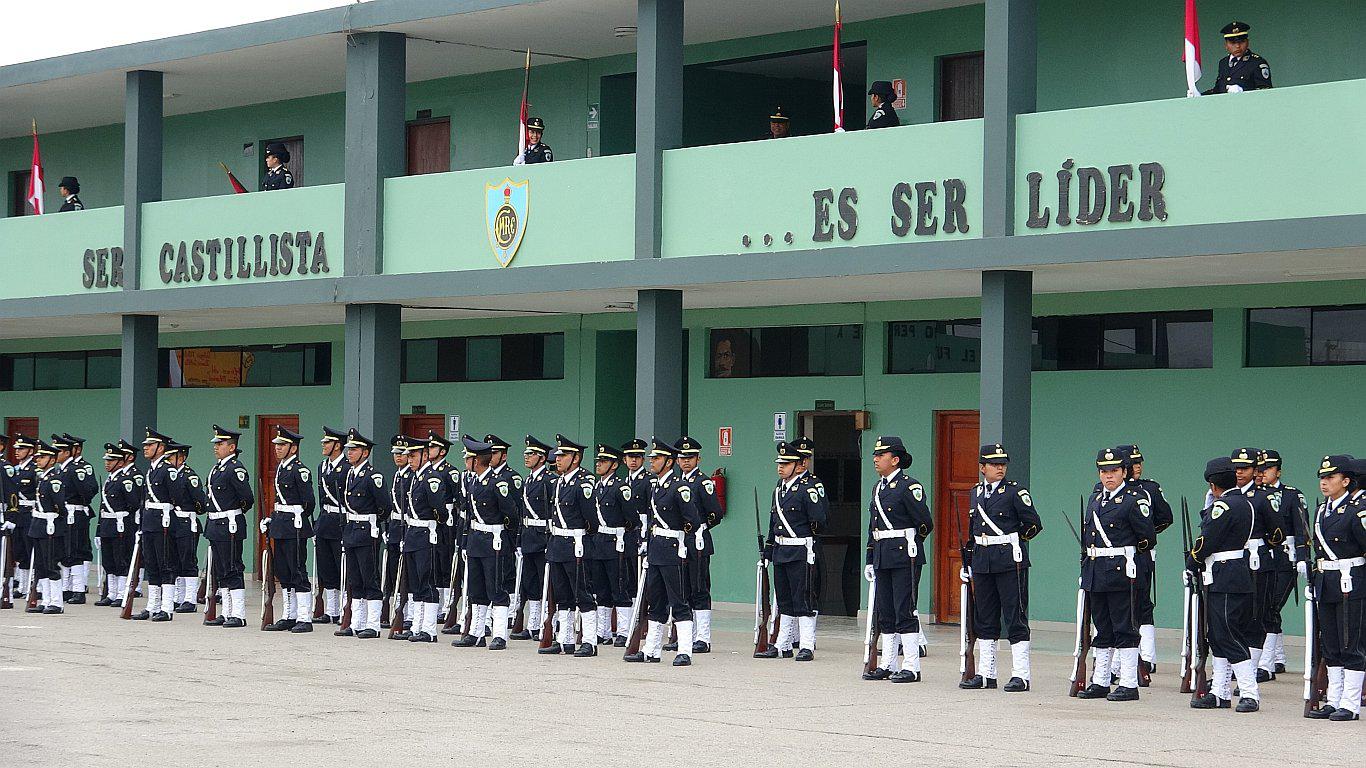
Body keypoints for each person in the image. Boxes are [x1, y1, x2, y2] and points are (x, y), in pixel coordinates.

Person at [1077, 448, 1155, 702]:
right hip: (1097, 570)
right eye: (1104, 471)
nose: (1108, 476)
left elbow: (1147, 538)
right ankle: (1100, 681)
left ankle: (1129, 683)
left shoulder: (1135, 499)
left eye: (1113, 471)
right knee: (1103, 627)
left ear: (1124, 472)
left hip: (1122, 570)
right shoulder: (1096, 498)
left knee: (1125, 627)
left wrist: (1130, 562)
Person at [962, 443, 1042, 691]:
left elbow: (1033, 525)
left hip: (1009, 560)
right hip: (983, 560)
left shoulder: (1015, 492)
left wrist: (1012, 542)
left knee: (1015, 617)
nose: (1000, 468)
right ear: (982, 467)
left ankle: (1021, 675)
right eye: (995, 464)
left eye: (1003, 464)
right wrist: (969, 559)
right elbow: (974, 529)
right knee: (984, 618)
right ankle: (987, 673)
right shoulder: (976, 493)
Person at [1188, 456, 1262, 712]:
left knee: (1229, 633)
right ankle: (1220, 692)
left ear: (1213, 484)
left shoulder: (1223, 506)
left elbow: (1207, 539)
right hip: (1230, 574)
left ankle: (1250, 692)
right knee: (1218, 635)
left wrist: (1192, 561)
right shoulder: (1244, 502)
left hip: (1225, 575)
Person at [625, 438, 701, 666]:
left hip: (673, 550)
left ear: (668, 462)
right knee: (655, 601)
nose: (652, 462)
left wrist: (680, 542)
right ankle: (652, 650)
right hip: (656, 550)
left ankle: (685, 650)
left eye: (656, 458)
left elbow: (693, 521)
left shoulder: (680, 487)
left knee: (678, 601)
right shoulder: (656, 486)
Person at [1306, 455, 1365, 721]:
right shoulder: (1321, 510)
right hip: (1326, 582)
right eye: (1322, 477)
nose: (1324, 482)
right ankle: (1334, 699)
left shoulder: (1358, 509)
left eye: (1330, 477)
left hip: (1351, 582)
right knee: (1330, 644)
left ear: (1346, 480)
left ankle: (1350, 704)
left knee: (1351, 643)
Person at [761, 440, 827, 662]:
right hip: (781, 550)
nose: (781, 467)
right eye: (780, 463)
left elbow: (818, 520)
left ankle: (807, 644)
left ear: (799, 465)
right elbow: (773, 523)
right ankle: (783, 644)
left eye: (786, 463)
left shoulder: (808, 490)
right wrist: (768, 550)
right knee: (785, 598)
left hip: (801, 550)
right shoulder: (778, 490)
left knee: (804, 598)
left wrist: (808, 542)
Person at [452, 435, 515, 649]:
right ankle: (476, 633)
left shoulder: (498, 483)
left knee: (495, 587)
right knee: (476, 589)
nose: (465, 462)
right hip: (476, 540)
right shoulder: (473, 482)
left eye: (468, 458)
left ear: (476, 461)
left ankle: (499, 634)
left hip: (494, 540)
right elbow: (469, 516)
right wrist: (464, 542)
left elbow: (511, 515)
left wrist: (506, 541)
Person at [539, 434, 598, 657]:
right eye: (558, 455)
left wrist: (581, 538)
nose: (558, 459)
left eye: (563, 456)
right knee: (562, 596)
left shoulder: (584, 483)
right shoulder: (559, 482)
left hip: (576, 543)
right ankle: (565, 640)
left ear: (576, 458)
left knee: (582, 593)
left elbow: (591, 519)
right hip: (557, 544)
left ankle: (590, 641)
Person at [1229, 447, 1284, 680]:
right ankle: (1236, 670)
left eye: (1246, 468)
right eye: (1237, 468)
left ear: (1255, 471)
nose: (1240, 472)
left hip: (1256, 561)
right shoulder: (1230, 495)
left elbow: (1277, 533)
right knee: (1233, 618)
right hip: (1232, 562)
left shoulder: (1264, 497)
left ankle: (1249, 675)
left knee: (1254, 618)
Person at [1255, 449, 1308, 680]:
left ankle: (1266, 664)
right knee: (1262, 607)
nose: (1263, 473)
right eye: (1260, 469)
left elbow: (1301, 529)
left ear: (1278, 471)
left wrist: (1303, 557)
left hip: (1285, 558)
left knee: (1271, 606)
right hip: (1261, 558)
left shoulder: (1291, 495)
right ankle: (1275, 658)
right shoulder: (1254, 495)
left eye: (1267, 468)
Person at [262, 426, 316, 633]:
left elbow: (308, 502)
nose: (277, 448)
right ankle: (289, 615)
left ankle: (304, 617)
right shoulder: (282, 468)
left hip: (295, 526)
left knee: (297, 571)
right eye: (276, 445)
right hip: (281, 524)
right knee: (283, 572)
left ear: (293, 448)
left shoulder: (299, 470)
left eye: (282, 445)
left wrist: (297, 516)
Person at [337, 429, 388, 639]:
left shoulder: (372, 476)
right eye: (349, 449)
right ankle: (356, 622)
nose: (350, 453)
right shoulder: (350, 473)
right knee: (354, 579)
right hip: (352, 530)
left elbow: (384, 506)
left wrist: (373, 523)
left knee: (370, 578)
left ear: (365, 453)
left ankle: (373, 624)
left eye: (355, 449)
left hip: (367, 530)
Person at [676, 436, 724, 652]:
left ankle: (702, 637)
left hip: (697, 541)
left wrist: (699, 528)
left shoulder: (703, 482)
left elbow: (716, 513)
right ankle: (684, 634)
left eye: (691, 457)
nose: (686, 461)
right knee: (682, 589)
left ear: (698, 459)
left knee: (699, 588)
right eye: (683, 457)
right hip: (679, 542)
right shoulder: (677, 484)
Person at [399, 431, 448, 644]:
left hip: (426, 534)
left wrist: (431, 525)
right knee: (416, 583)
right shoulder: (415, 478)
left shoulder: (432, 479)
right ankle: (417, 626)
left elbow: (441, 511)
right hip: (413, 534)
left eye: (413, 456)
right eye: (408, 456)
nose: (409, 460)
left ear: (425, 456)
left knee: (427, 582)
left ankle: (429, 629)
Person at [204, 425, 254, 628]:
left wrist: (232, 513)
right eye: (216, 443)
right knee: (221, 570)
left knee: (233, 568)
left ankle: (239, 614)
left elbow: (247, 499)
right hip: (216, 524)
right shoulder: (217, 468)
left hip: (229, 524)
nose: (216, 447)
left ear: (232, 447)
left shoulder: (235, 468)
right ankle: (226, 612)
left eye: (220, 443)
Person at [588, 444, 636, 646]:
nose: (599, 464)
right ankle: (603, 631)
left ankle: (624, 631)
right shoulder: (596, 487)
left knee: (619, 588)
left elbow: (632, 518)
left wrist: (621, 535)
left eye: (604, 462)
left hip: (616, 542)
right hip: (598, 543)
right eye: (598, 461)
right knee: (601, 589)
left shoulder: (621, 488)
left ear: (615, 465)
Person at [511, 435, 554, 640]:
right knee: (530, 583)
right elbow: (522, 514)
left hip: (543, 537)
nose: (527, 457)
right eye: (526, 453)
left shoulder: (549, 481)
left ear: (542, 458)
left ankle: (547, 623)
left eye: (532, 454)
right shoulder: (528, 480)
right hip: (528, 537)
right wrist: (519, 540)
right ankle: (533, 623)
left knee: (546, 582)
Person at [132, 428, 177, 622]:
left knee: (165, 564)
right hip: (150, 520)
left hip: (163, 521)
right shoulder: (151, 469)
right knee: (151, 564)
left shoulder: (168, 470)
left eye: (150, 445)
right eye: (145, 446)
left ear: (161, 448)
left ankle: (166, 608)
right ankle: (153, 605)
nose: (146, 448)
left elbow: (177, 497)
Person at [485, 434, 522, 637]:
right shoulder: (483, 477)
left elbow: (515, 510)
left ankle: (508, 615)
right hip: (486, 538)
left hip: (504, 535)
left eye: (495, 452)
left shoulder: (510, 477)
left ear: (504, 455)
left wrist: (513, 538)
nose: (491, 456)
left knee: (505, 576)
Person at [52, 434, 97, 604]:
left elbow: (87, 491)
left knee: (75, 551)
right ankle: (66, 588)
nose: (56, 454)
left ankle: (78, 590)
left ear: (68, 452)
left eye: (59, 451)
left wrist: (79, 504)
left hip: (74, 514)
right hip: (64, 514)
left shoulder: (74, 470)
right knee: (65, 551)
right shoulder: (62, 469)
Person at [25, 440, 68, 614]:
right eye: (38, 457)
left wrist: (54, 520)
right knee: (41, 565)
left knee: (51, 564)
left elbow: (60, 506)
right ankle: (46, 599)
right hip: (38, 525)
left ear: (51, 460)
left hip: (50, 525)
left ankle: (57, 602)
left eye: (42, 457)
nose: (38, 460)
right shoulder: (42, 477)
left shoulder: (54, 479)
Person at [94, 441, 139, 607]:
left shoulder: (125, 480)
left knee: (121, 560)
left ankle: (121, 593)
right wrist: (99, 530)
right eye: (106, 460)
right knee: (109, 561)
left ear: (120, 462)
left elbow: (134, 503)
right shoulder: (108, 480)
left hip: (121, 524)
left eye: (111, 460)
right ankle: (111, 593)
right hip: (107, 524)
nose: (107, 463)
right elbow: (102, 506)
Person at [314, 427, 350, 624]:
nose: (323, 445)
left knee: (341, 566)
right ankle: (331, 609)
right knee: (326, 567)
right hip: (325, 520)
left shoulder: (346, 467)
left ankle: (345, 609)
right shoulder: (322, 466)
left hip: (340, 520)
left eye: (327, 442)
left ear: (337, 446)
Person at [165, 441, 206, 613]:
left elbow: (201, 503)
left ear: (181, 458)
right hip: (173, 522)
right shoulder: (170, 474)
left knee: (187, 560)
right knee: (174, 561)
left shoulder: (189, 476)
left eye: (170, 457)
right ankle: (179, 597)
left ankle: (190, 599)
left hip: (186, 522)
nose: (167, 460)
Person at [380, 435, 410, 630]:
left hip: (406, 526)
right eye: (396, 454)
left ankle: (405, 612)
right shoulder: (397, 475)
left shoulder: (411, 476)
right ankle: (393, 608)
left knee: (404, 572)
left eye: (402, 454)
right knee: (392, 571)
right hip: (394, 527)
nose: (398, 457)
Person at [7, 434, 38, 602]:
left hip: (30, 514)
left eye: (22, 449)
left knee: (29, 549)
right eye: (17, 449)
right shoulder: (15, 469)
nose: (18, 452)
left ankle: (33, 586)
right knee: (19, 551)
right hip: (18, 514)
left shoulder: (35, 470)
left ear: (31, 451)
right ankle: (23, 585)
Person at [1202, 22, 1272, 95]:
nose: (1237, 46)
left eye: (1241, 42)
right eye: (1233, 43)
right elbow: (1218, 90)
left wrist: (1243, 91)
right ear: (1226, 45)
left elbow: (1265, 91)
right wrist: (1200, 96)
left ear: (1247, 42)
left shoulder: (1257, 62)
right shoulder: (1223, 62)